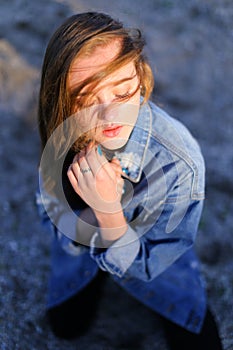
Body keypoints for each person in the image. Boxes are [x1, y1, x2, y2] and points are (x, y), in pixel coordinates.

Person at [36, 12, 223, 349]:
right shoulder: (63, 132)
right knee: (67, 327)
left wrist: (109, 212)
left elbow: (157, 261)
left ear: (140, 78)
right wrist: (88, 221)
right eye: (87, 99)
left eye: (122, 94)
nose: (111, 115)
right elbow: (49, 212)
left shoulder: (180, 162)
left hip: (158, 268)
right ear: (61, 98)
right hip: (83, 250)